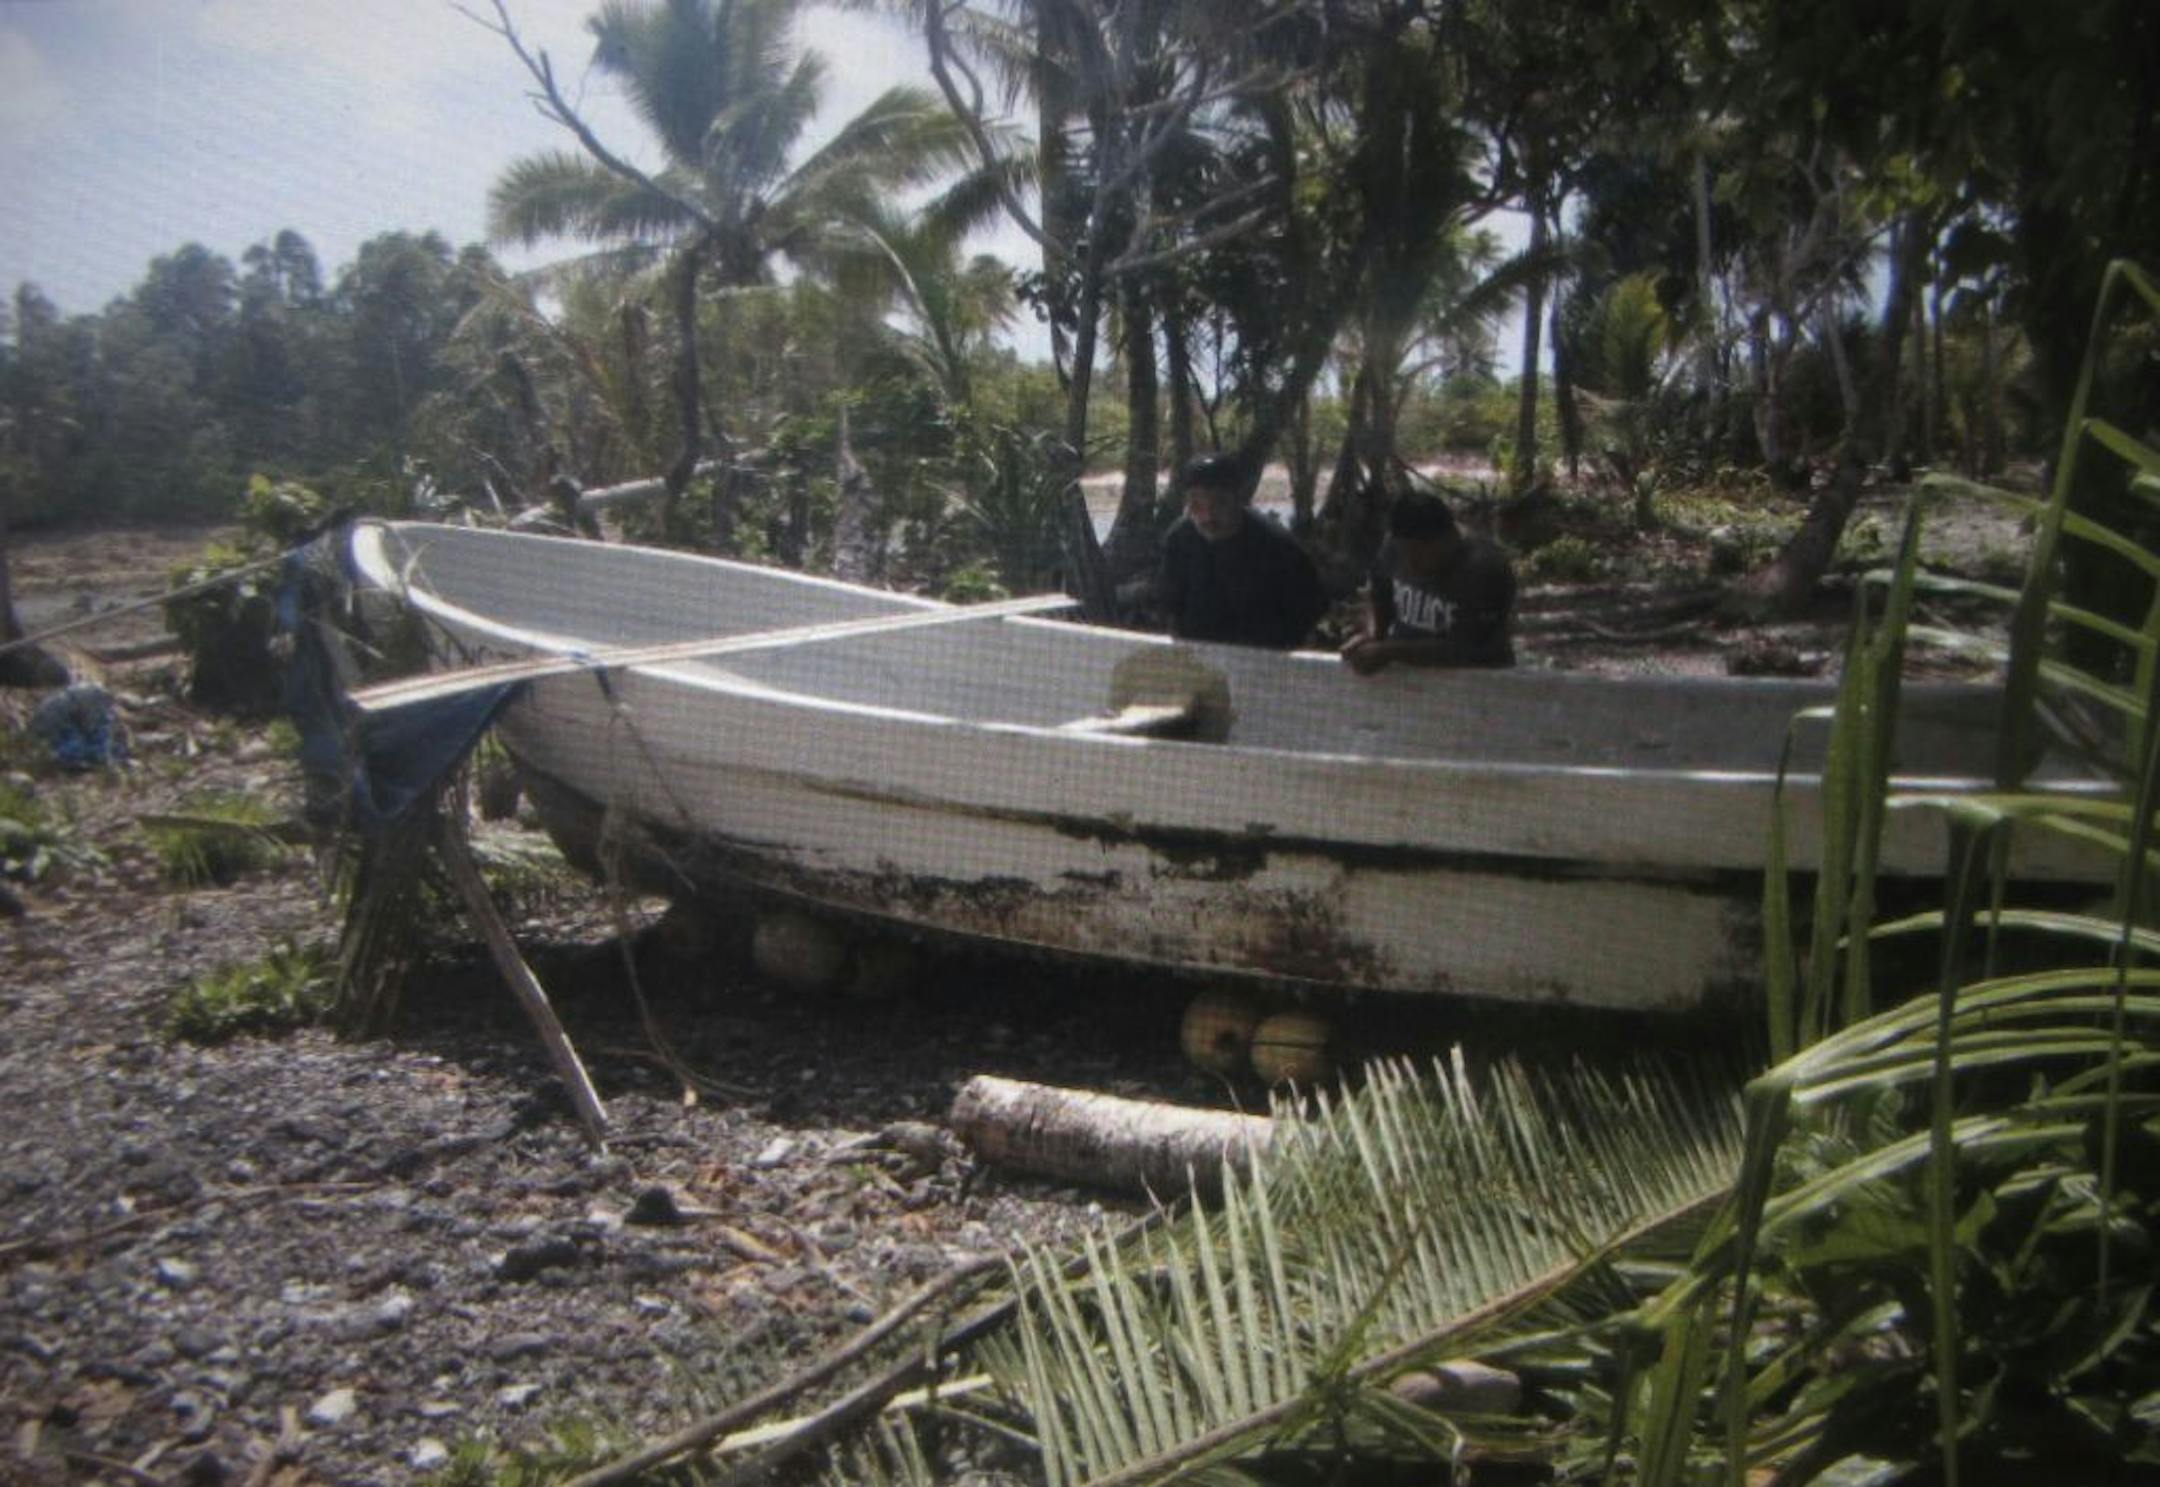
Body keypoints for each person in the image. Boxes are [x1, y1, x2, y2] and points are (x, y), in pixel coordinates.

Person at [1159, 453, 1328, 649]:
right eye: (1196, 504)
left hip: (1264, 658)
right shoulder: (1179, 540)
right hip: (1200, 656)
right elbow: (1171, 608)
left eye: (1219, 502)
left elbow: (1311, 614)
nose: (1208, 516)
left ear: (1239, 498)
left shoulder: (1277, 546)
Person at [1341, 489, 1515, 673]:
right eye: (1404, 552)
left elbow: (1470, 649)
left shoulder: (1483, 568)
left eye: (1419, 553)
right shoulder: (1395, 545)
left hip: (1473, 684)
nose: (1410, 563)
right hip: (1406, 678)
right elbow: (1379, 594)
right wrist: (1372, 633)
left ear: (1448, 538)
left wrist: (1390, 651)